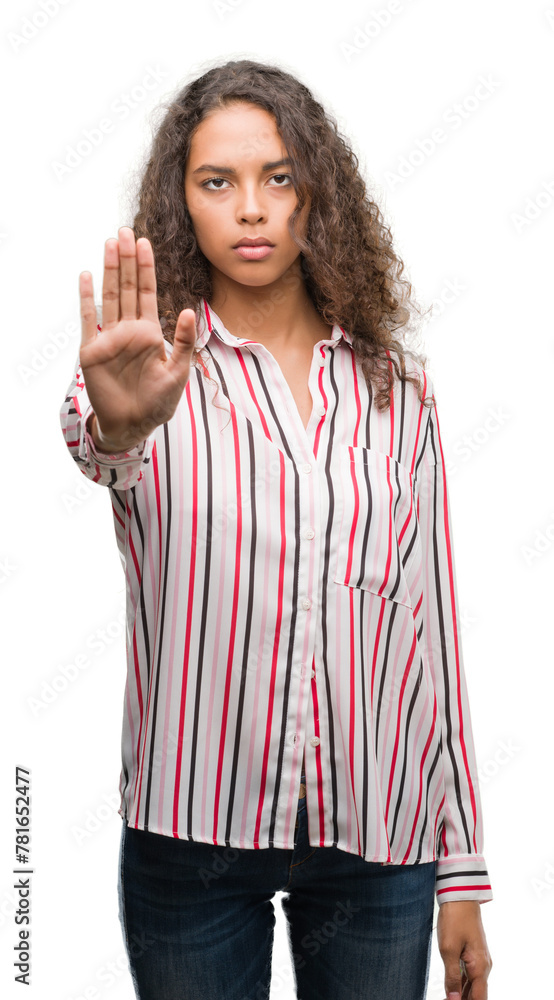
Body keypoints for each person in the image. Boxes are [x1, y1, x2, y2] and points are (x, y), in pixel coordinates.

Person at [59, 58, 493, 1000]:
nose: (251, 208)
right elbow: (102, 449)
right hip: (192, 840)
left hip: (381, 846)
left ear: (316, 195)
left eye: (279, 177)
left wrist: (460, 871)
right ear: (183, 203)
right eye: (218, 182)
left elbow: (431, 637)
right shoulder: (149, 378)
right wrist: (122, 425)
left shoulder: (398, 393)